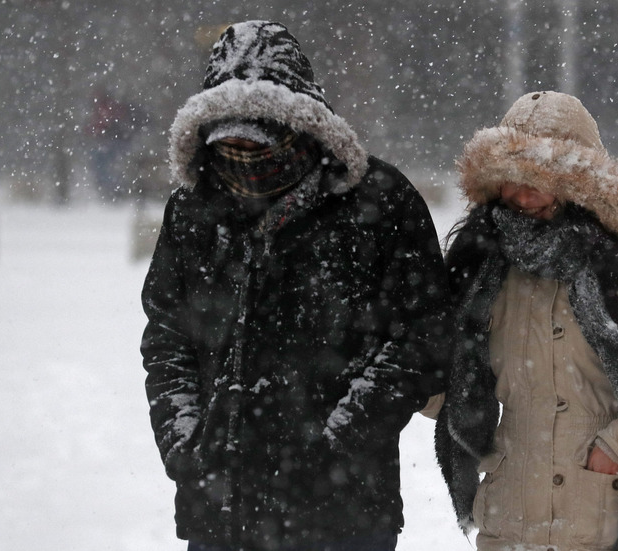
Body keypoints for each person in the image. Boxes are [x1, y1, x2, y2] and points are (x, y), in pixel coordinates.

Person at [140, 21, 449, 551]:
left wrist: (336, 443)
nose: (242, 160)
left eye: (258, 138)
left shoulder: (379, 202)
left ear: (299, 127)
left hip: (344, 512)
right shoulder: (193, 208)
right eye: (227, 143)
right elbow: (168, 337)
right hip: (220, 511)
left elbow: (421, 340)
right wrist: (183, 443)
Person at [428, 91, 618, 551]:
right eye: (509, 179)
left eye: (538, 181)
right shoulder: (479, 270)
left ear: (579, 184)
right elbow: (444, 392)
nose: (520, 197)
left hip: (606, 522)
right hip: (508, 523)